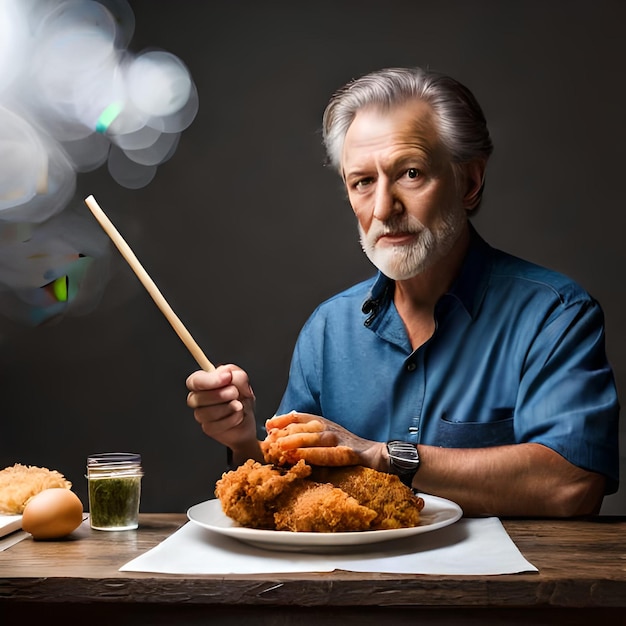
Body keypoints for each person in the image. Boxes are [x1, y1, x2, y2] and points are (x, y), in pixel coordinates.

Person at [186, 67, 619, 517]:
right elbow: (291, 487)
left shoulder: (554, 315)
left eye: (410, 173)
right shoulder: (328, 330)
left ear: (469, 181)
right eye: (363, 182)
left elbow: (572, 486)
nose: (383, 208)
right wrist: (243, 441)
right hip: (348, 587)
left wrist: (379, 455)